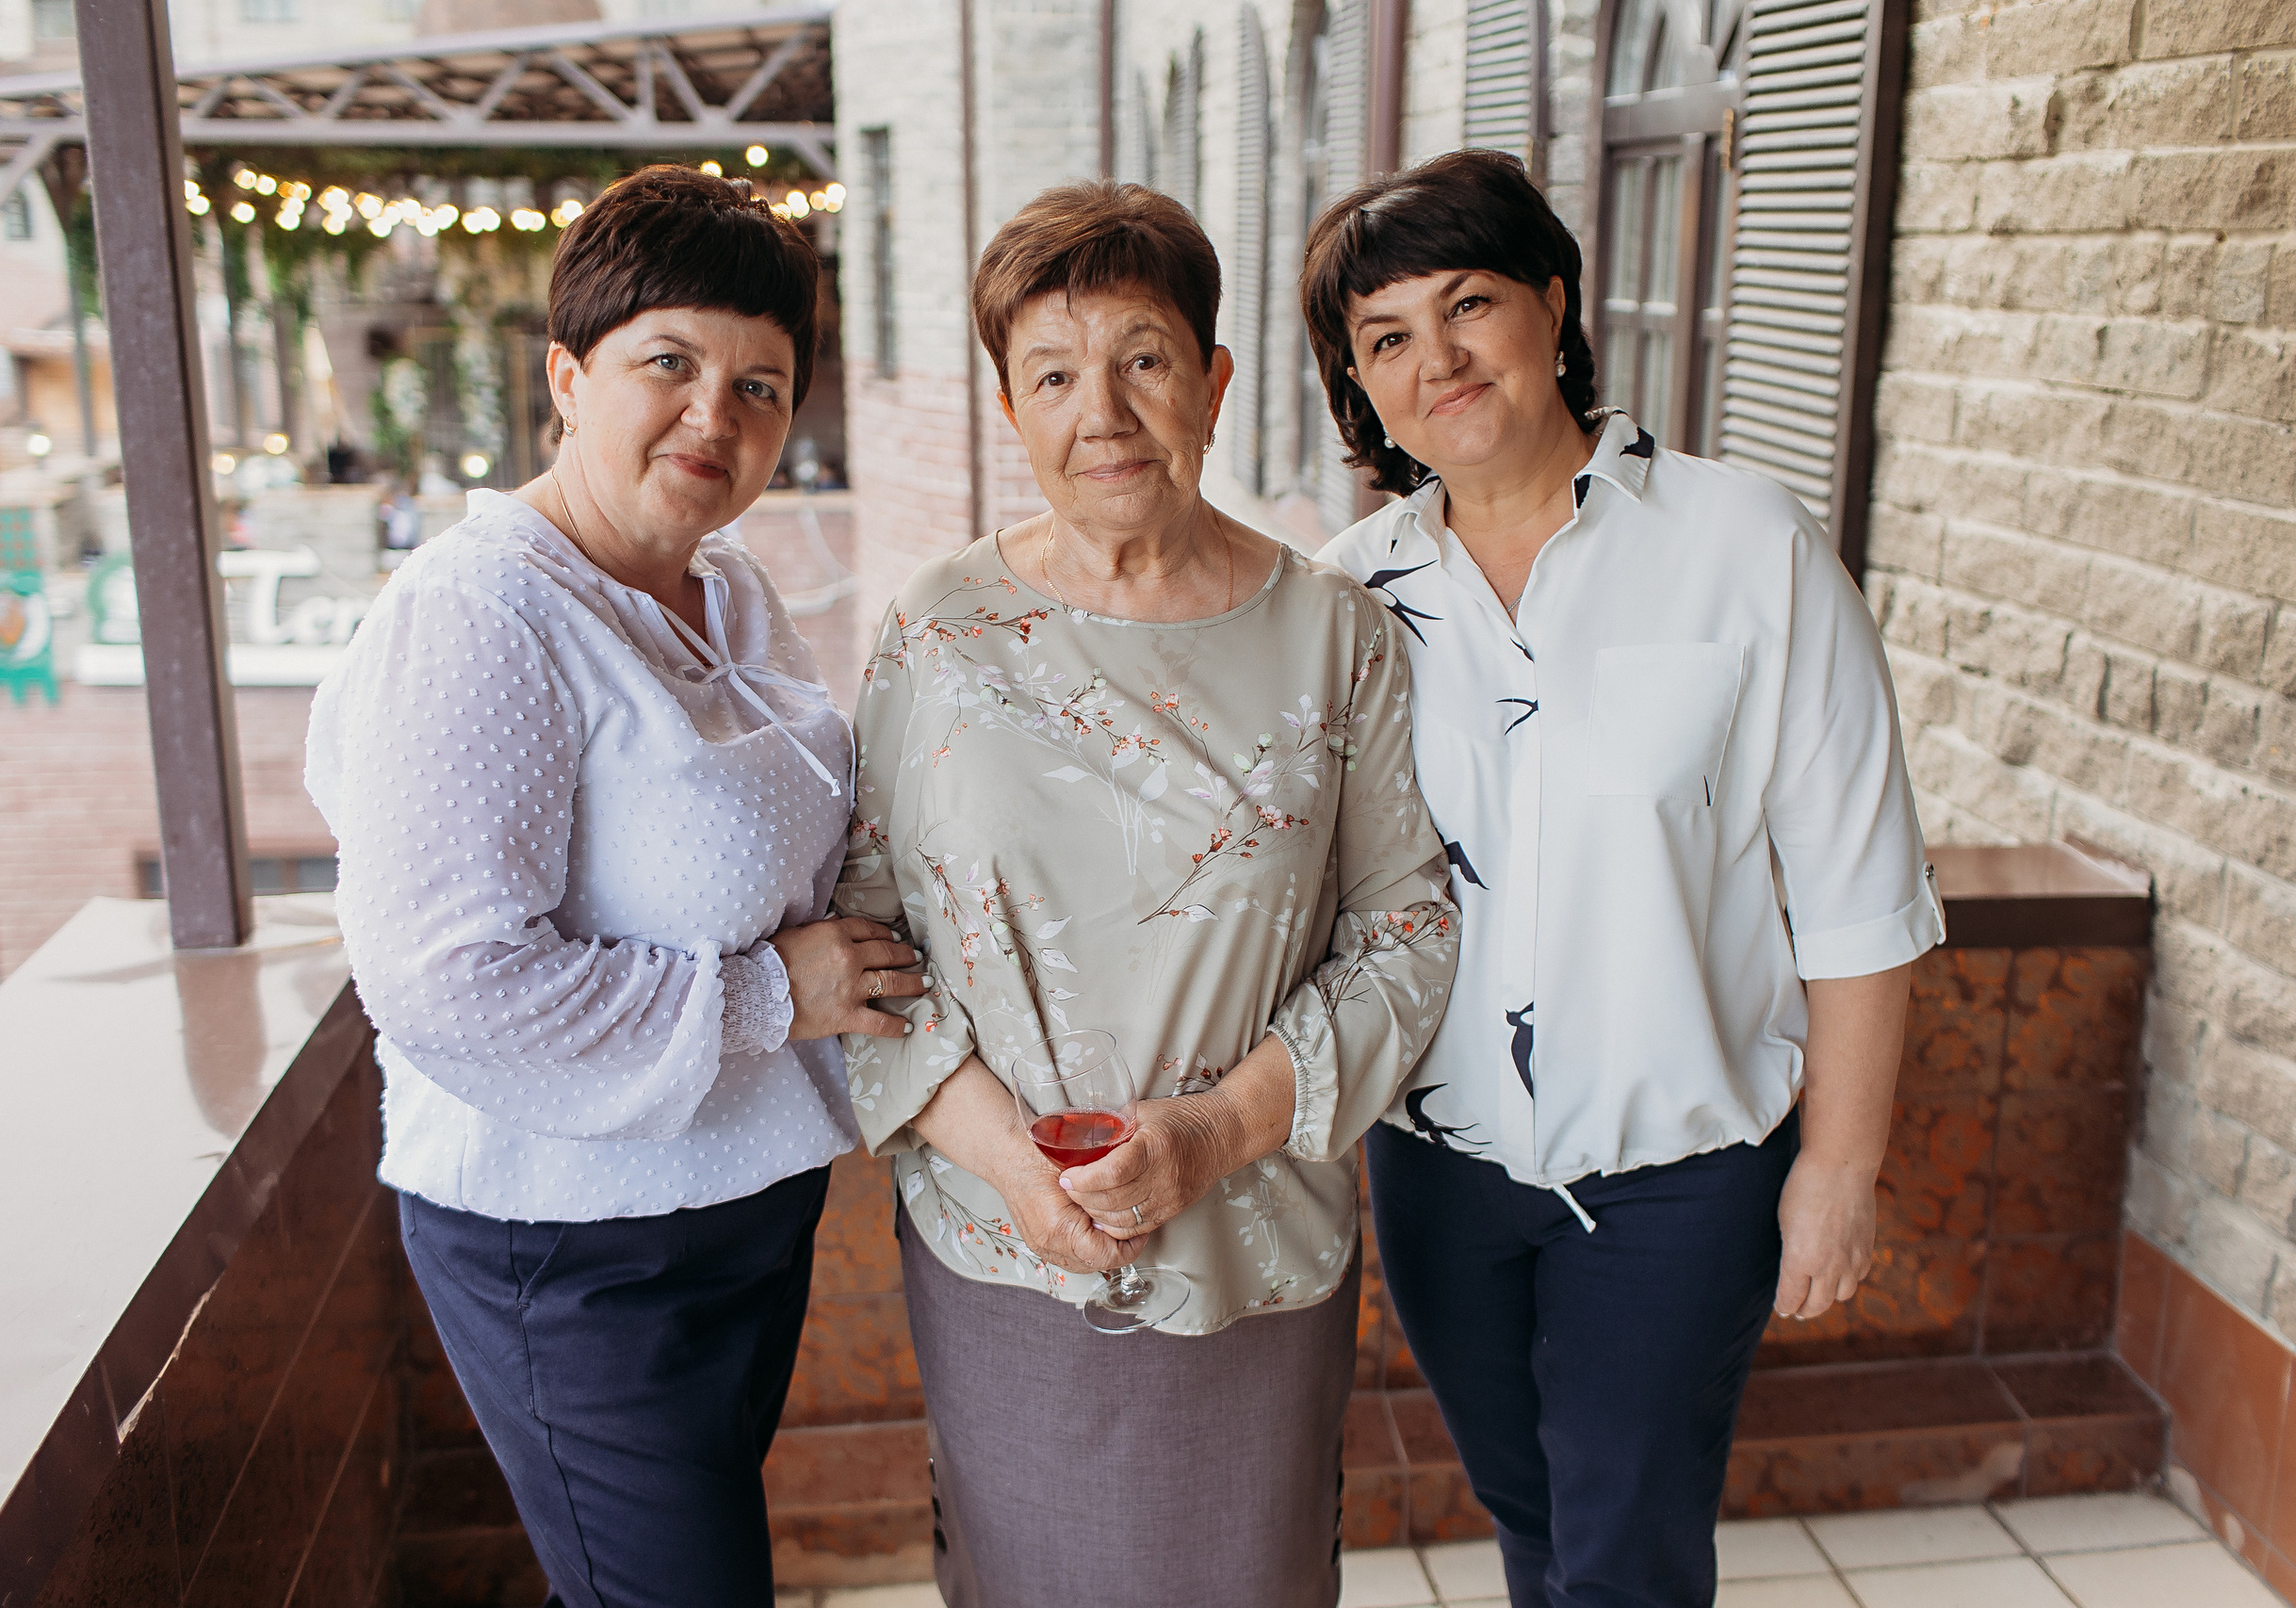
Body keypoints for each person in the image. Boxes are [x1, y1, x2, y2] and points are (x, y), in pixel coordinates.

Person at [1307, 150, 1943, 1608]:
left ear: (1554, 302)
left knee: (1628, 1552)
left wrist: (1839, 1170)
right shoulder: (1343, 599)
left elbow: (1860, 890)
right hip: (1440, 1170)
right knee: (1529, 1513)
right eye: (1388, 337)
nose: (1440, 359)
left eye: (1471, 304)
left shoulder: (1746, 549)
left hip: (1678, 1186)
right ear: (1360, 384)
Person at [304, 166, 929, 1608]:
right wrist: (777, 993)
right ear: (567, 377)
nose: (717, 416)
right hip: (573, 1254)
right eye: (672, 363)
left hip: (736, 1212)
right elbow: (444, 978)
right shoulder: (480, 613)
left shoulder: (732, 589)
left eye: (762, 386)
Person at [838, 181, 1459, 1608]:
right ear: (1010, 407)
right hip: (1000, 1241)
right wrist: (1004, 1160)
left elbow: (1407, 927)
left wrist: (1213, 1134)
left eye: (1143, 358)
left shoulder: (1332, 633)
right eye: (1053, 373)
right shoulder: (940, 628)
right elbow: (867, 937)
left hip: (1252, 1236)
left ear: (1213, 384)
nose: (1101, 410)